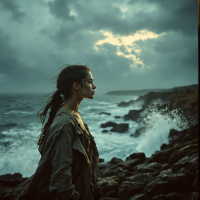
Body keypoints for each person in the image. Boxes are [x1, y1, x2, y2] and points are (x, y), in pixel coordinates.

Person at [4, 65, 103, 200]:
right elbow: (61, 182)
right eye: (90, 82)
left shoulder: (74, 115)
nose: (94, 86)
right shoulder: (64, 124)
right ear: (76, 86)